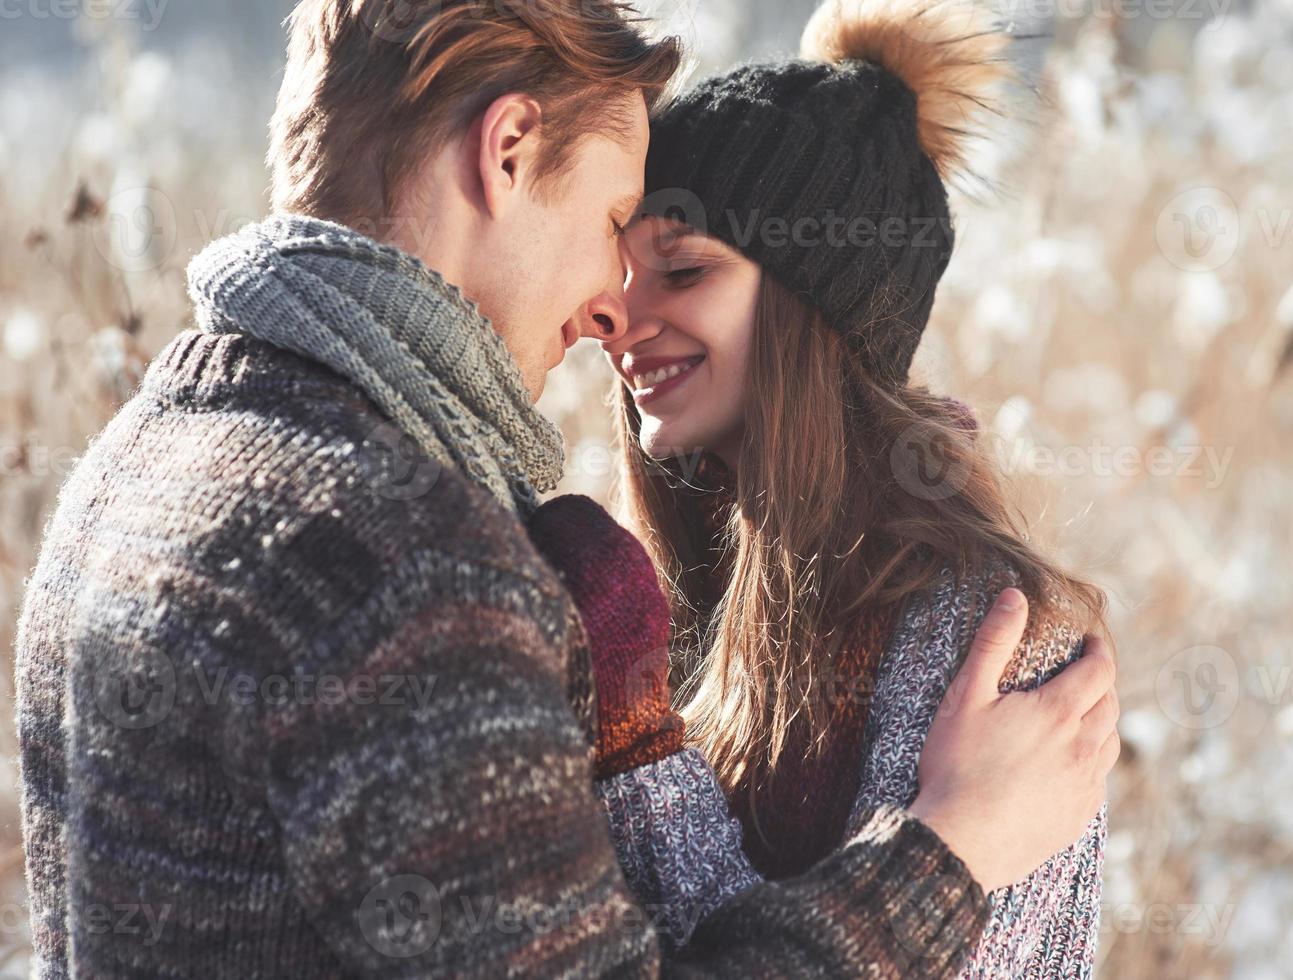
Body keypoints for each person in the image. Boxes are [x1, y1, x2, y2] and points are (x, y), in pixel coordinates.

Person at [12, 1, 1117, 977]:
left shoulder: (129, 471)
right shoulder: (407, 570)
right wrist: (949, 852)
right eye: (608, 229)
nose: (607, 311)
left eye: (675, 265)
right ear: (506, 152)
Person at [587, 0, 1119, 975]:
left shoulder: (991, 637)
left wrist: (636, 753)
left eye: (684, 268)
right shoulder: (687, 581)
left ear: (813, 308)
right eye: (622, 278)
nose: (620, 320)